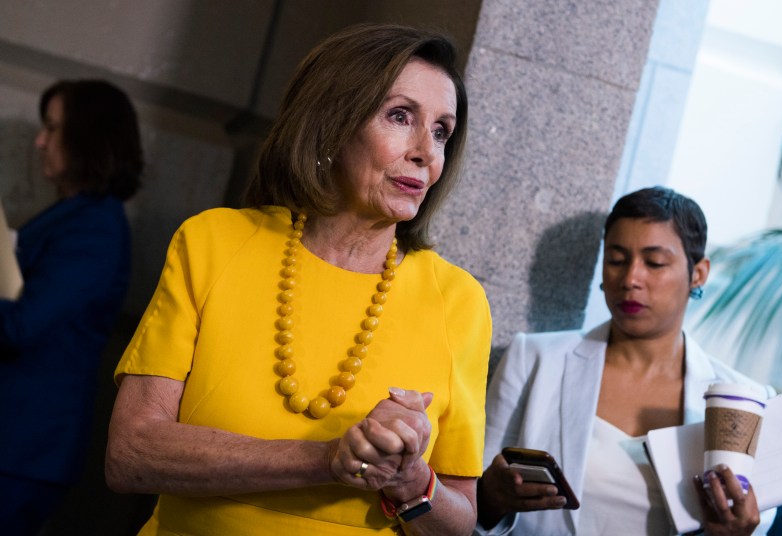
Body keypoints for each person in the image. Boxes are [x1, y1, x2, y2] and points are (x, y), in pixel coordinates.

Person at [105, 23, 492, 535]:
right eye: (401, 116)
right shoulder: (214, 242)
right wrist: (327, 459)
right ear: (332, 123)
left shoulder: (458, 300)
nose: (426, 151)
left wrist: (411, 481)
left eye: (442, 130)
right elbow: (130, 455)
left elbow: (460, 524)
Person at [475, 186, 777, 536]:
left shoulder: (747, 403)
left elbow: (754, 523)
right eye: (617, 260)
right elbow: (472, 496)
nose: (631, 279)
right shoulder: (535, 359)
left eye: (655, 263)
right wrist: (492, 497)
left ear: (698, 273)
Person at [0, 79, 143, 535]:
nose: (40, 141)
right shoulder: (77, 214)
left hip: (21, 448)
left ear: (88, 138)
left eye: (52, 129)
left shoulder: (94, 227)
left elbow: (21, 325)